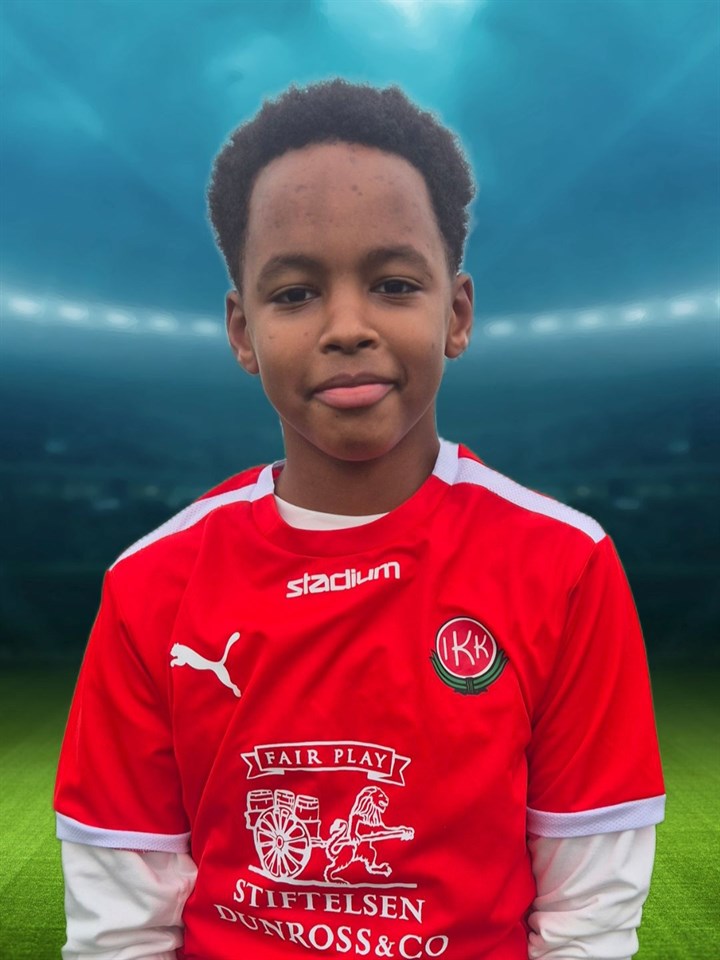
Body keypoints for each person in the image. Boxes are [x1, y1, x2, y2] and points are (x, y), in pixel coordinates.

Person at [54, 78, 665, 960]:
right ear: (242, 331)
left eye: (393, 284)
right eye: (295, 294)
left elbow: (590, 916)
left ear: (456, 314)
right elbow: (120, 925)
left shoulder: (563, 563)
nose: (347, 326)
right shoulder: (151, 584)